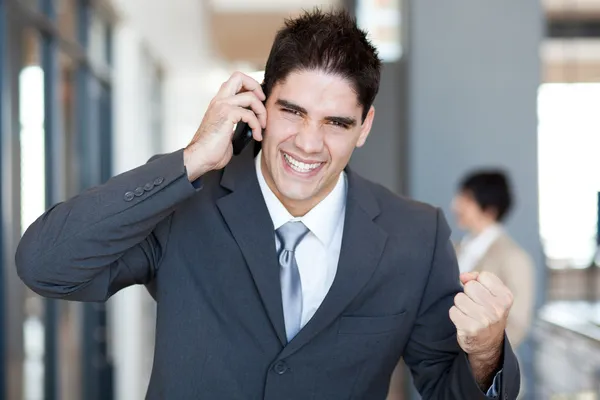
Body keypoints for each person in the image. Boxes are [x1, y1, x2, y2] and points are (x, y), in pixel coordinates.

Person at [16, 9, 520, 399]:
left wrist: (485, 351)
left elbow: (446, 390)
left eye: (336, 123)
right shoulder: (185, 204)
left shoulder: (416, 235)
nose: (307, 143)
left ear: (364, 126)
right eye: (292, 111)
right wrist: (189, 160)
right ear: (259, 102)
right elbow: (46, 266)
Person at [452, 170, 535, 350]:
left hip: (488, 371)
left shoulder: (514, 257)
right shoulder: (454, 249)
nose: (455, 205)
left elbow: (518, 325)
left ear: (489, 209)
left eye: (467, 199)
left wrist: (477, 355)